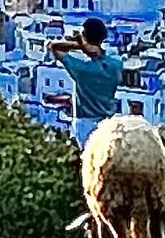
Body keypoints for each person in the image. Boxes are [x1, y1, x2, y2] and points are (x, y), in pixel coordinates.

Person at [48, 17, 123, 146]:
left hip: (85, 123)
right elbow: (103, 56)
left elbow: (54, 47)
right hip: (108, 121)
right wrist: (89, 47)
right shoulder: (116, 64)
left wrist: (80, 45)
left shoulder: (82, 70)